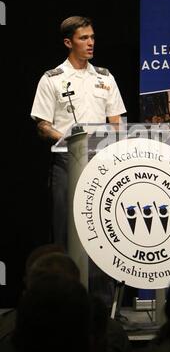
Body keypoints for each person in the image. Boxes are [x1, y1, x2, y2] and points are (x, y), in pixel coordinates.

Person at [30, 16, 126, 247]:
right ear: (68, 42)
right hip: (67, 161)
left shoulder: (105, 77)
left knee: (103, 227)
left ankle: (102, 281)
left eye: (92, 37)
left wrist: (115, 138)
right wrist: (73, 139)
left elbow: (117, 121)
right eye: (83, 38)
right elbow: (42, 126)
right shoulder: (52, 79)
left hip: (101, 160)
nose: (90, 42)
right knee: (64, 228)